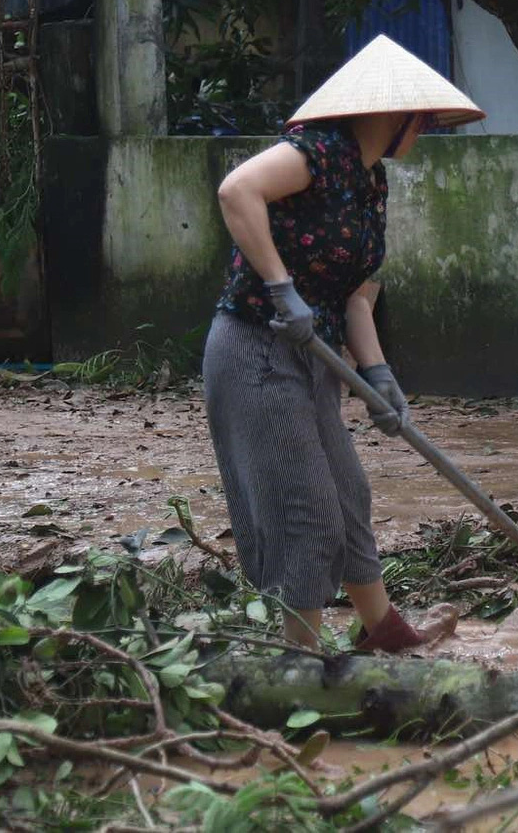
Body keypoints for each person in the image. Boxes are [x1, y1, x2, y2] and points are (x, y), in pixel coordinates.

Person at [203, 35, 484, 653]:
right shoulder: (314, 154)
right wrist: (281, 289)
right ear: (398, 117)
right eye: (425, 122)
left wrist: (380, 375)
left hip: (317, 357)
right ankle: (299, 658)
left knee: (349, 495)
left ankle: (382, 630)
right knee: (304, 509)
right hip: (255, 348)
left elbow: (357, 296)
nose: (425, 132)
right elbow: (236, 191)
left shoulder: (370, 182)